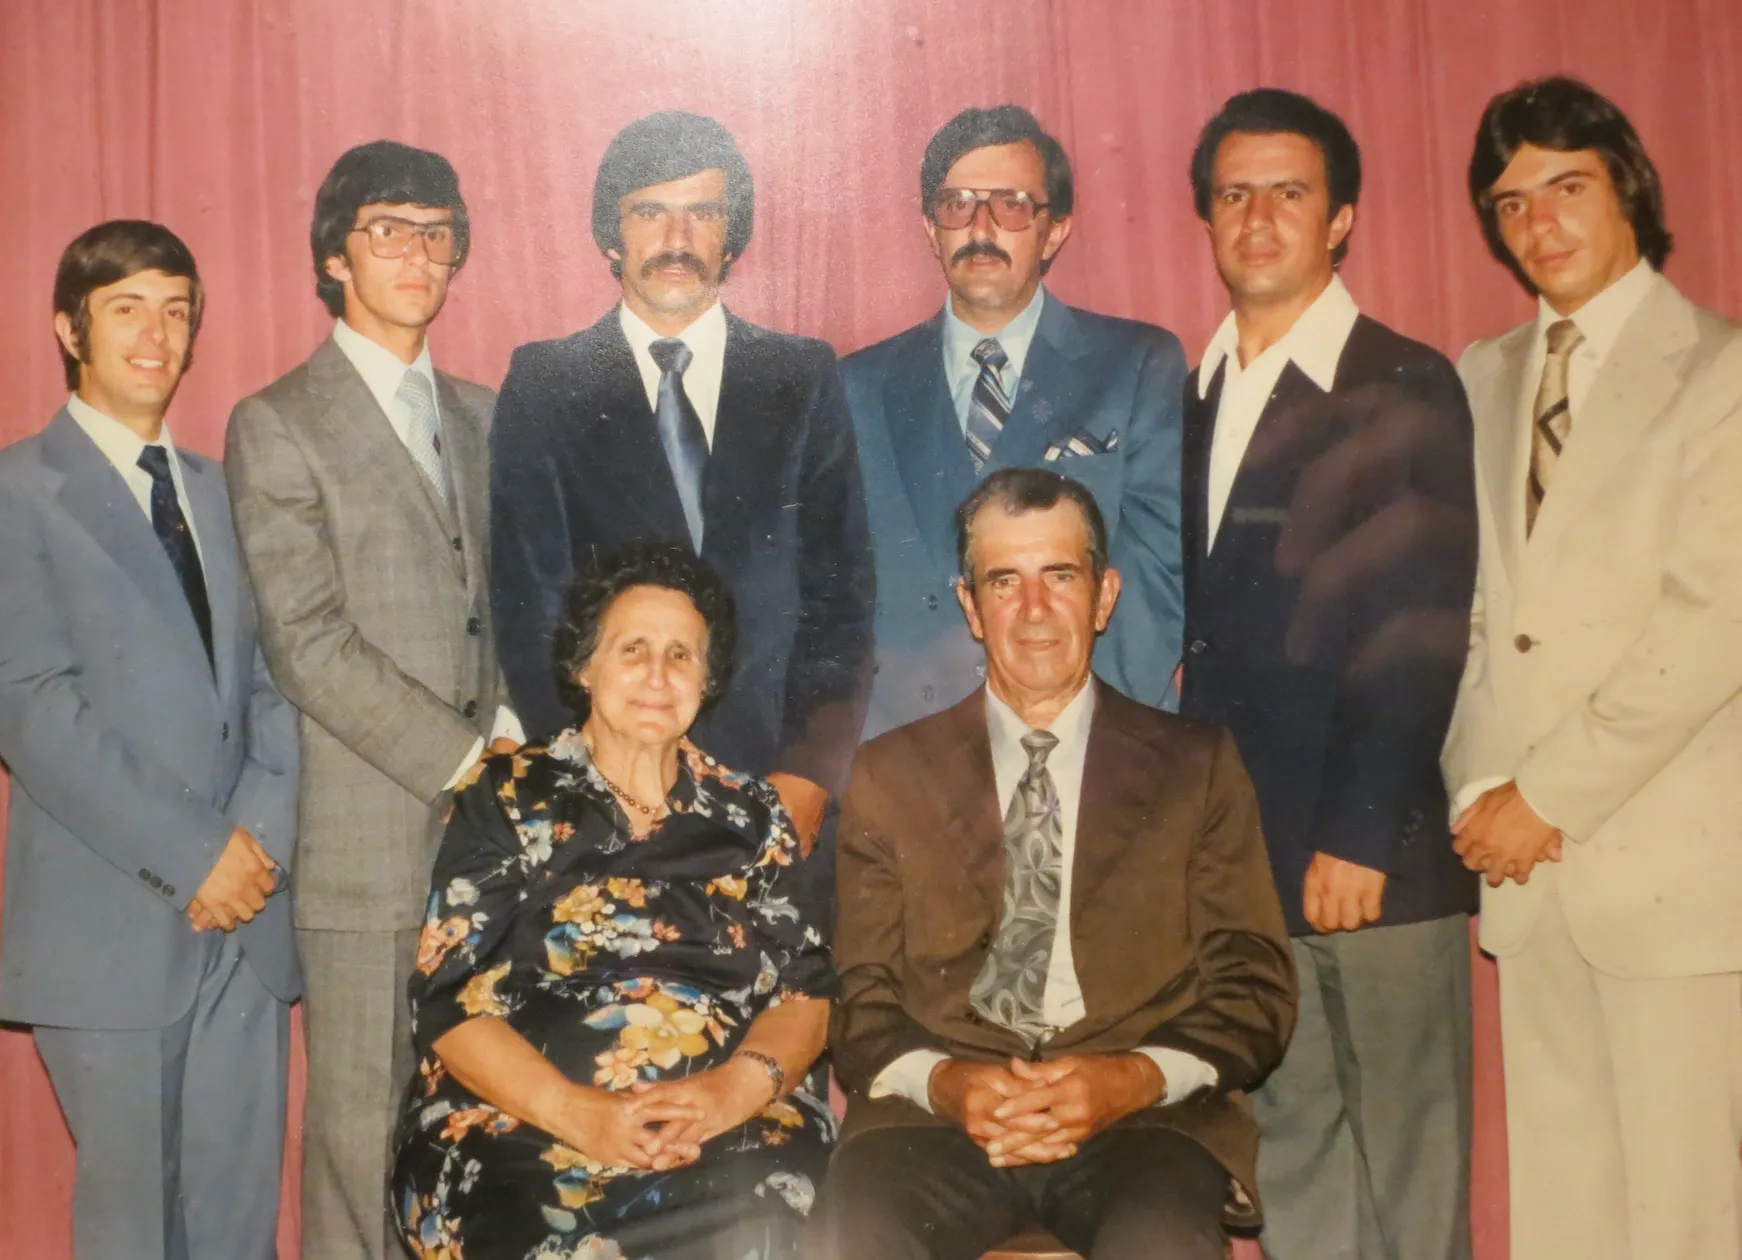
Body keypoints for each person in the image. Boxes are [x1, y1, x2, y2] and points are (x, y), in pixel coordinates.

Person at [809, 468, 1295, 1260]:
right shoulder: (888, 772)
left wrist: (1127, 1080)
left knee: (1162, 1240)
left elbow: (1254, 987)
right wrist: (949, 1084)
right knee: (851, 1236)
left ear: (1104, 596)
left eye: (1058, 577)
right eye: (1005, 581)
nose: (1033, 612)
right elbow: (860, 996)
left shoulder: (1193, 765)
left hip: (1141, 1123)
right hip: (936, 1121)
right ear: (970, 607)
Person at [1443, 76, 1742, 1260]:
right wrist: (1480, 792)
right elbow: (1467, 618)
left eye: (1565, 187)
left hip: (1664, 871)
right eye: (1510, 204)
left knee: (1678, 1215)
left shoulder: (1718, 372)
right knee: (1563, 1215)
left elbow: (1709, 625)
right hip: (1524, 875)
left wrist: (1544, 799)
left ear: (1626, 190)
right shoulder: (1482, 374)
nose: (1538, 224)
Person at [1178, 89, 1479, 1260]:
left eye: (1287, 193)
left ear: (1340, 218)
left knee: (1408, 1171)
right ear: (1205, 218)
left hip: (1373, 861)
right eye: (1232, 194)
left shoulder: (1401, 380)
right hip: (1249, 863)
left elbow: (1421, 628)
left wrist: (1355, 833)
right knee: (1294, 1157)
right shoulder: (1192, 394)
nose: (1257, 218)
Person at [224, 140, 515, 1260]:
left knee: (475, 1136)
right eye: (387, 230)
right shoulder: (279, 420)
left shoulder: (485, 414)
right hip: (366, 845)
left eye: (436, 232)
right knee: (359, 1142)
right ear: (334, 257)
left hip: (492, 847)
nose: (416, 254)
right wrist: (463, 761)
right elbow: (307, 643)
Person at [392, 541, 836, 1260]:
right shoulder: (508, 797)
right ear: (584, 666)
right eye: (632, 650)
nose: (658, 676)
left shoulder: (753, 814)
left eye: (682, 655)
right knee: (528, 1227)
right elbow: (448, 1000)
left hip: (728, 1127)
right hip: (523, 1124)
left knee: (766, 1222)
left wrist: (726, 1096)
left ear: (709, 677)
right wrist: (582, 1115)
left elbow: (805, 999)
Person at [0, 221, 300, 1259]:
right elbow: (32, 708)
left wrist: (248, 853)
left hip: (245, 926)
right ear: (67, 328)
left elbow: (278, 691)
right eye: (126, 306)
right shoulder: (14, 490)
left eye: (176, 309)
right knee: (132, 1235)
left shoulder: (225, 494)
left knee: (237, 1227)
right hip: (109, 928)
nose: (156, 333)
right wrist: (195, 855)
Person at [490, 111, 875, 890]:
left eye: (702, 212)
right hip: (609, 807)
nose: (676, 237)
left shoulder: (799, 378)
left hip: (777, 798)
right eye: (650, 212)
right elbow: (532, 613)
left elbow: (843, 603)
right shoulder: (548, 384)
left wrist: (807, 774)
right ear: (611, 235)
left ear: (731, 238)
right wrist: (602, 789)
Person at [844, 105, 1186, 738]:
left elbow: (1159, 578)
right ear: (930, 227)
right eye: (958, 205)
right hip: (912, 756)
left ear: (1054, 231)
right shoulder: (857, 386)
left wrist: (1071, 732)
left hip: (1091, 741)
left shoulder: (1136, 364)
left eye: (1012, 206)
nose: (981, 227)